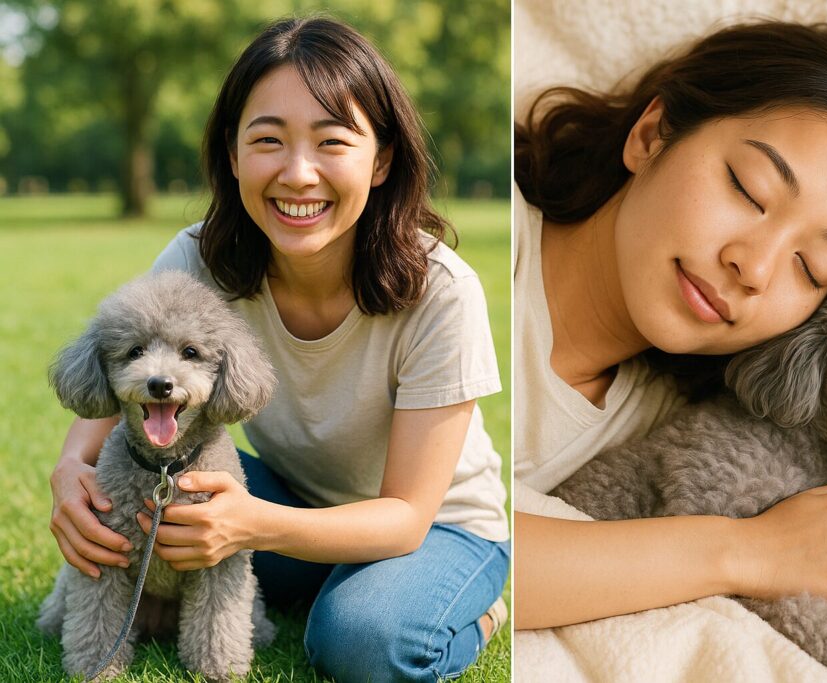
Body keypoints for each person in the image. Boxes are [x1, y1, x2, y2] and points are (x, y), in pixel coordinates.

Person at [46, 16, 509, 681]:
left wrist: (249, 525)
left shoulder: (441, 292)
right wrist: (70, 471)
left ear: (380, 159)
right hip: (298, 499)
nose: (298, 174)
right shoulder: (197, 259)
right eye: (268, 140)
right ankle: (327, 578)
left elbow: (407, 516)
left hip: (437, 525)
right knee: (149, 490)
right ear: (233, 154)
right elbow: (113, 378)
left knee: (358, 641)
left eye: (331, 141)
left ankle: (471, 608)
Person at [513, 21, 827, 628]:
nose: (754, 266)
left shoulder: (666, 428)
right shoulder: (467, 240)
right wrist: (750, 552)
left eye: (810, 266)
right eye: (749, 190)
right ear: (650, 134)